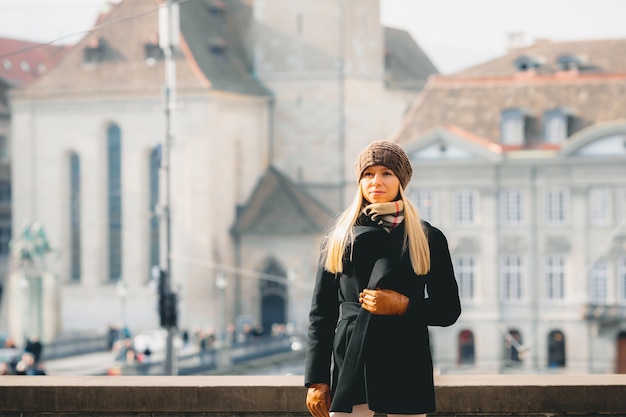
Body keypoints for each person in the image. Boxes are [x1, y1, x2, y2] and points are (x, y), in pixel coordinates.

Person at [304, 140, 462, 417]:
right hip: (353, 353)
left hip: (405, 354)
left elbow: (448, 309)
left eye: (386, 173)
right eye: (368, 174)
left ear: (401, 180)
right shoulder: (340, 237)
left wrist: (404, 306)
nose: (376, 181)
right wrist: (317, 379)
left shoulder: (428, 238)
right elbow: (322, 314)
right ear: (360, 181)